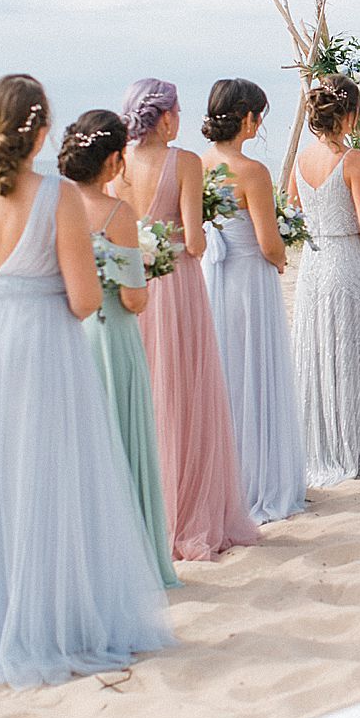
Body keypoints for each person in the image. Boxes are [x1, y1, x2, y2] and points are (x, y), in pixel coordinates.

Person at [0, 75, 173, 688]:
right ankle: (50, 619)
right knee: (48, 476)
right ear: (39, 134)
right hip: (40, 345)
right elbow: (85, 299)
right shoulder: (55, 195)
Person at [115, 78, 258, 560]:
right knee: (185, 392)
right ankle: (186, 511)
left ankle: (142, 510)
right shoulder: (185, 162)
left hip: (131, 282)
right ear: (165, 117)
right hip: (177, 285)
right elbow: (195, 242)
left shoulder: (118, 162)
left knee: (146, 391)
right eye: (177, 111)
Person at [60, 109, 180, 590]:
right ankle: (131, 558)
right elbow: (134, 298)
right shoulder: (117, 214)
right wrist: (146, 270)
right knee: (122, 442)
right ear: (113, 162)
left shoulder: (54, 207)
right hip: (113, 335)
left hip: (70, 335)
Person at [199, 79, 308, 523]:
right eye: (259, 115)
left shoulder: (198, 164)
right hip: (248, 279)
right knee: (254, 372)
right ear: (248, 118)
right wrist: (281, 256)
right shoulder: (252, 171)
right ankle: (257, 480)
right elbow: (268, 242)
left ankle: (222, 478)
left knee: (223, 372)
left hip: (211, 276)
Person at [289, 73, 360, 485]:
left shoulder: (301, 159)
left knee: (317, 352)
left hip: (313, 265)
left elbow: (295, 211)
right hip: (348, 263)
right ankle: (354, 449)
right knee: (350, 353)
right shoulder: (354, 160)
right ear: (350, 115)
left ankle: (319, 447)